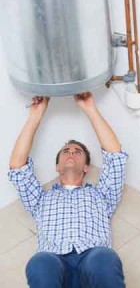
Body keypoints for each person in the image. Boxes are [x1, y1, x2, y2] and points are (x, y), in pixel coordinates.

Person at [8, 92, 128, 288]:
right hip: (54, 261)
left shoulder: (102, 195)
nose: (71, 152)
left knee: (105, 258)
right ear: (57, 166)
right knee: (39, 262)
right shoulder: (40, 199)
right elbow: (17, 167)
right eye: (66, 151)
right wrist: (35, 115)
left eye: (77, 152)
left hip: (93, 257)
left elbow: (116, 157)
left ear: (86, 167)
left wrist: (90, 108)